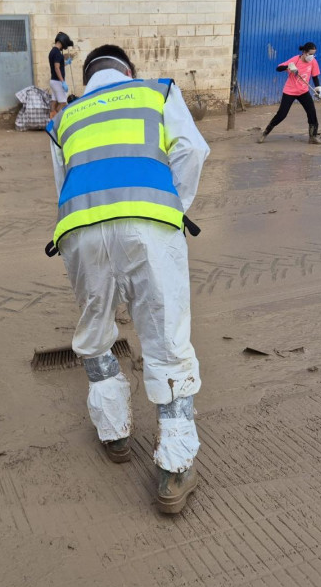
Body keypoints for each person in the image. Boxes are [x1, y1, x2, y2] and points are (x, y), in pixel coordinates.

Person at [45, 44, 209, 514]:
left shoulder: (64, 118)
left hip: (79, 230)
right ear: (128, 71)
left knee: (95, 332)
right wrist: (172, 205)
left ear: (88, 77)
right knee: (165, 337)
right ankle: (175, 470)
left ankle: (114, 435)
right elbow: (192, 150)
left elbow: (64, 185)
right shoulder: (155, 92)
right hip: (149, 225)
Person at [257, 42, 321, 144]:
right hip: (290, 91)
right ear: (304, 52)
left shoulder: (313, 62)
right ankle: (265, 133)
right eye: (310, 54)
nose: (311, 56)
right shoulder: (295, 60)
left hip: (303, 92)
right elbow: (278, 68)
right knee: (282, 114)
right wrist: (289, 67)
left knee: (312, 113)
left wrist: (317, 89)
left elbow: (315, 76)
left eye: (313, 54)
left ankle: (313, 137)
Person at [48, 31, 74, 119]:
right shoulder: (58, 53)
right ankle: (55, 120)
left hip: (53, 81)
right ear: (62, 43)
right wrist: (63, 81)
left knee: (54, 101)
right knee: (63, 102)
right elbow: (56, 67)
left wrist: (65, 63)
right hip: (58, 81)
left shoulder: (52, 51)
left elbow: (58, 64)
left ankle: (51, 118)